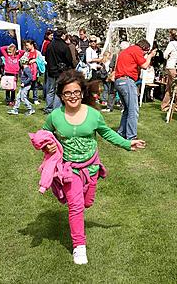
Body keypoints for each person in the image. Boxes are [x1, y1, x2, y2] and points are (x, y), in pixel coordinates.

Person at [39, 70, 146, 264]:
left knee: (87, 203)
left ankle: (85, 195)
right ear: (61, 96)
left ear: (82, 92)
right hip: (69, 170)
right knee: (76, 206)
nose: (72, 96)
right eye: (67, 93)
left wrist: (128, 144)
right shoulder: (55, 116)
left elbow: (107, 134)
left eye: (76, 92)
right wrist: (47, 144)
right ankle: (79, 246)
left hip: (91, 167)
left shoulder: (94, 115)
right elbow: (43, 134)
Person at [114, 39, 155, 139]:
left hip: (119, 81)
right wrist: (150, 56)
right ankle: (131, 136)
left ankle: (121, 132)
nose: (144, 54)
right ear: (144, 48)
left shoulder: (128, 50)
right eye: (145, 52)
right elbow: (145, 65)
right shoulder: (136, 50)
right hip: (127, 81)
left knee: (127, 110)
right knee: (133, 110)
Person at [45, 28, 74, 112]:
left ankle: (48, 107)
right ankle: (56, 108)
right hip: (61, 71)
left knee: (50, 90)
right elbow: (69, 60)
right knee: (59, 90)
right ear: (63, 35)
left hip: (51, 70)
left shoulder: (50, 45)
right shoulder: (64, 46)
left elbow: (47, 57)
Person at [160, 30, 177, 114]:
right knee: (169, 87)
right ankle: (164, 105)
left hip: (171, 66)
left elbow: (165, 55)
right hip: (176, 67)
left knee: (175, 86)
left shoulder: (171, 44)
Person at [24, 39, 40, 104]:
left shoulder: (37, 53)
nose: (26, 47)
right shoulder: (26, 53)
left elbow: (41, 60)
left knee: (35, 86)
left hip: (35, 72)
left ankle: (35, 99)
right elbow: (23, 60)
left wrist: (35, 60)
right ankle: (25, 98)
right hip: (28, 72)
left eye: (27, 45)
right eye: (26, 46)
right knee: (27, 85)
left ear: (32, 45)